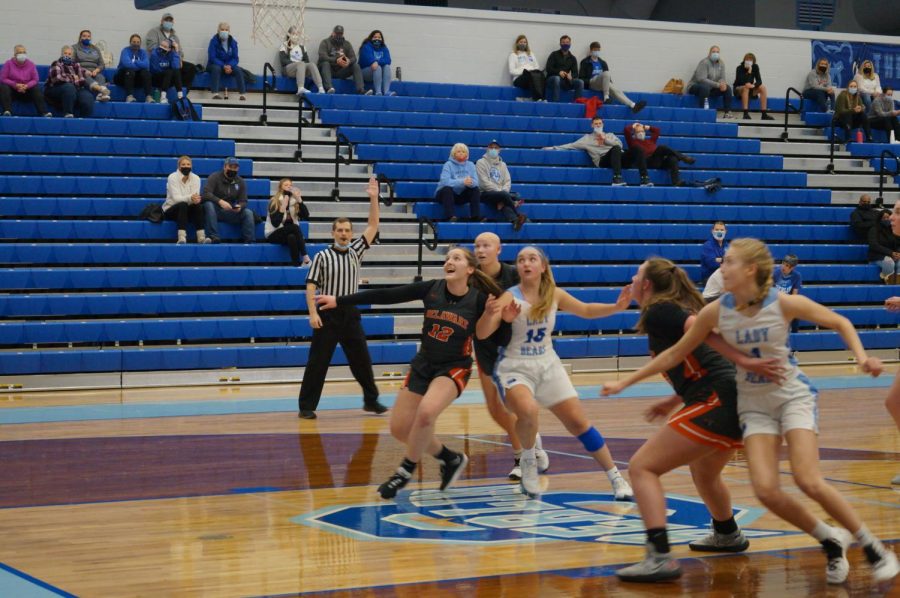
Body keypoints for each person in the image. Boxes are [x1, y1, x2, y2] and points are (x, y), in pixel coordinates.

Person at [603, 237, 900, 586]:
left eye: (728, 261)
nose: (720, 266)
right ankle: (829, 537)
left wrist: (863, 358)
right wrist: (627, 383)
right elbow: (676, 354)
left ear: (750, 269)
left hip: (792, 396)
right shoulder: (717, 310)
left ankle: (872, 547)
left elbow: (840, 322)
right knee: (765, 490)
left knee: (807, 479)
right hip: (752, 404)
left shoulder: (784, 302)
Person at [614, 258, 781, 582]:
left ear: (646, 285)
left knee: (641, 467)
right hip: (729, 398)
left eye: (636, 274)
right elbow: (699, 357)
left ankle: (659, 556)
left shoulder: (661, 310)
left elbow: (698, 328)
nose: (632, 278)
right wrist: (673, 399)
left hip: (719, 399)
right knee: (704, 472)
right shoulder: (666, 310)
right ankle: (727, 533)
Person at [317, 247, 505, 498]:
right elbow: (388, 294)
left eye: (456, 258)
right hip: (423, 364)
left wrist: (493, 315)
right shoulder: (432, 288)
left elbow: (482, 334)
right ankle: (450, 459)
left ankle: (403, 472)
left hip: (454, 368)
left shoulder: (480, 299)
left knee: (426, 413)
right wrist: (340, 300)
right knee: (400, 429)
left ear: (470, 269)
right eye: (447, 258)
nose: (449, 262)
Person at [480, 246, 634, 500]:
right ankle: (528, 461)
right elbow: (483, 333)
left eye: (532, 259)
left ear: (542, 267)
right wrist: (491, 314)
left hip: (548, 364)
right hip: (516, 366)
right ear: (517, 268)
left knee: (579, 424)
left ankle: (615, 477)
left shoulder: (555, 294)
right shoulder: (508, 296)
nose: (525, 263)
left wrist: (616, 307)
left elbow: (585, 310)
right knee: (528, 411)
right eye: (520, 260)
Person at [298, 177, 386, 419]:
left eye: (348, 230)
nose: (344, 234)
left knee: (362, 361)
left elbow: (374, 225)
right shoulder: (322, 256)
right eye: (340, 230)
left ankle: (371, 400)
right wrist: (313, 313)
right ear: (333, 233)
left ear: (351, 233)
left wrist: (373, 198)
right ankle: (306, 406)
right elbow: (310, 286)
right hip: (327, 314)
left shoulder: (356, 250)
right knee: (318, 362)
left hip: (350, 313)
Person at [472, 232, 550, 480]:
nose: (481, 249)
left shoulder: (514, 274)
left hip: (513, 345)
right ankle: (532, 439)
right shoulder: (471, 277)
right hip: (484, 345)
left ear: (498, 249)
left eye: (486, 245)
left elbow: (541, 293)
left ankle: (521, 456)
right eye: (477, 245)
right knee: (495, 408)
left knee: (513, 404)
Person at [543, 116, 650, 186]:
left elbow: (620, 145)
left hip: (619, 157)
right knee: (615, 149)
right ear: (592, 125)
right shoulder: (587, 138)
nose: (598, 125)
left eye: (600, 123)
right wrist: (553, 147)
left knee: (637, 148)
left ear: (603, 125)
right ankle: (617, 178)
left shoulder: (610, 135)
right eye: (596, 124)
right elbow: (571, 145)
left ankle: (644, 178)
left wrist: (605, 139)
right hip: (603, 160)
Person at [577, 41, 646, 114]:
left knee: (616, 90)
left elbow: (608, 77)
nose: (597, 51)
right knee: (606, 73)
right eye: (595, 50)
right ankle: (606, 97)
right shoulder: (585, 62)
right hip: (592, 83)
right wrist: (589, 81)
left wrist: (611, 86)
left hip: (602, 84)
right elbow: (581, 78)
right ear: (591, 50)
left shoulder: (602, 62)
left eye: (598, 50)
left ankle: (633, 105)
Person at [201, 157, 255, 244]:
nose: (233, 169)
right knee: (208, 204)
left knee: (248, 212)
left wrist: (239, 206)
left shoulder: (240, 181)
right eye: (230, 166)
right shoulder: (214, 177)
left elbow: (243, 200)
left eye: (235, 167)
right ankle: (214, 236)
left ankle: (250, 241)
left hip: (230, 210)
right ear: (225, 166)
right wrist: (220, 201)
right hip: (215, 210)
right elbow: (206, 193)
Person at [475, 140, 527, 230]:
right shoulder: (480, 162)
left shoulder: (503, 164)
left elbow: (507, 181)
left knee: (507, 197)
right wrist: (501, 192)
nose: (493, 149)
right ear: (487, 149)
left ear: (500, 150)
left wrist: (503, 193)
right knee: (506, 195)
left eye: (496, 148)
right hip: (485, 193)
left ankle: (515, 220)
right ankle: (518, 214)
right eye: (491, 147)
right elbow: (483, 182)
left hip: (501, 195)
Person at [624, 121, 696, 187]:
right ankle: (684, 158)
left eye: (642, 131)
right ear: (634, 134)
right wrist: (634, 125)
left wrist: (646, 127)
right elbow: (626, 130)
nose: (641, 133)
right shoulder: (633, 142)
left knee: (672, 158)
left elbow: (657, 130)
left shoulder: (650, 141)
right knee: (662, 147)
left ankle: (676, 181)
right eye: (638, 132)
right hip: (646, 162)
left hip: (657, 161)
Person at [145, 12, 196, 90]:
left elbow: (179, 50)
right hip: (160, 61)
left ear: (173, 22)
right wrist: (167, 50)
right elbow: (151, 47)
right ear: (162, 21)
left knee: (191, 67)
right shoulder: (153, 32)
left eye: (170, 20)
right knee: (170, 69)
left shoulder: (175, 36)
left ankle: (182, 90)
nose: (168, 22)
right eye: (166, 20)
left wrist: (180, 59)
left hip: (173, 60)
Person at [266, 178, 310, 266]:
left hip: (289, 233)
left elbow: (306, 216)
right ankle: (305, 256)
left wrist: (299, 200)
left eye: (290, 185)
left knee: (292, 237)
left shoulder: (295, 202)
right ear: (280, 188)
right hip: (274, 233)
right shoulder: (274, 201)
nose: (289, 187)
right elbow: (275, 223)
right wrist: (283, 208)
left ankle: (296, 265)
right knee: (295, 227)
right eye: (286, 185)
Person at [162, 156, 205, 245]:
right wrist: (191, 198)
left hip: (187, 210)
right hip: (171, 210)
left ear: (191, 166)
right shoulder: (172, 177)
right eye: (183, 164)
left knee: (198, 206)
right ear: (179, 166)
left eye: (188, 164)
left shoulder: (196, 178)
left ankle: (201, 237)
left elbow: (195, 198)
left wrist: (195, 200)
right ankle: (182, 237)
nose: (186, 166)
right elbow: (176, 199)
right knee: (182, 204)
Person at [0, 44, 51, 117]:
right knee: (4, 87)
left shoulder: (31, 64)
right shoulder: (8, 63)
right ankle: (7, 111)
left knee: (36, 88)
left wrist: (27, 86)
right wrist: (15, 85)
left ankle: (43, 112)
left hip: (26, 90)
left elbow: (35, 79)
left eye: (24, 52)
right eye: (20, 52)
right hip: (13, 91)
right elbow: (3, 78)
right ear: (15, 54)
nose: (22, 54)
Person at [44, 46, 94, 118]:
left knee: (88, 97)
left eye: (69, 54)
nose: (67, 55)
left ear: (72, 56)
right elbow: (58, 79)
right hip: (55, 88)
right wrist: (74, 78)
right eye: (65, 53)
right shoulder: (56, 64)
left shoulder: (76, 65)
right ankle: (68, 114)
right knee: (69, 87)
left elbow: (82, 80)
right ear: (62, 54)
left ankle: (82, 120)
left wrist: (71, 79)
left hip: (75, 88)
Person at [436, 143, 482, 222]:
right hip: (445, 195)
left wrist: (470, 182)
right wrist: (462, 182)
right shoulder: (448, 164)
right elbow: (445, 182)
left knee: (475, 189)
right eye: (458, 151)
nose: (461, 153)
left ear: (467, 154)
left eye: (463, 152)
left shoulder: (471, 165)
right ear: (454, 154)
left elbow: (476, 182)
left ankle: (475, 216)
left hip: (461, 195)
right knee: (447, 189)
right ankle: (450, 216)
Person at [687, 45, 735, 118]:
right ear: (709, 53)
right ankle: (703, 113)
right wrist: (717, 85)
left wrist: (722, 84)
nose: (715, 53)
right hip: (696, 86)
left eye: (717, 52)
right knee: (704, 88)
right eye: (713, 52)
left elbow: (722, 77)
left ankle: (727, 113)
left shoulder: (721, 63)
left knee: (727, 88)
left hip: (711, 88)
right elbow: (701, 79)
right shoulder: (704, 62)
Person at [318, 25, 364, 95]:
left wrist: (348, 61)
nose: (339, 35)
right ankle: (329, 88)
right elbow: (322, 56)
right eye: (337, 33)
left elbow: (354, 58)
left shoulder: (347, 44)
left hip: (341, 70)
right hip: (328, 70)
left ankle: (360, 90)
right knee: (325, 63)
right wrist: (336, 60)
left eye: (340, 34)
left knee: (355, 65)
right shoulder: (325, 42)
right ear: (333, 33)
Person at [279, 26, 324, 96]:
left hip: (301, 69)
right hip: (288, 69)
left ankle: (321, 88)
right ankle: (300, 88)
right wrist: (296, 64)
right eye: (293, 34)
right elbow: (283, 60)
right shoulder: (284, 45)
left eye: (297, 34)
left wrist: (301, 65)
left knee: (311, 64)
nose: (295, 36)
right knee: (301, 64)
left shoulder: (302, 47)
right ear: (289, 35)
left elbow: (307, 60)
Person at [207, 22, 246, 101]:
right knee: (216, 68)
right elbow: (212, 57)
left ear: (229, 31)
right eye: (222, 29)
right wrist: (223, 66)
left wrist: (229, 66)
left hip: (228, 66)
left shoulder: (233, 42)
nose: (224, 31)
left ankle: (242, 94)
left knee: (238, 70)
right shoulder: (213, 41)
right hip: (214, 65)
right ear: (218, 31)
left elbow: (235, 58)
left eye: (226, 30)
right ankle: (215, 94)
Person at [114, 34, 153, 103]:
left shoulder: (143, 52)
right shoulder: (125, 50)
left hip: (135, 79)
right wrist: (140, 64)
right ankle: (129, 96)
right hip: (122, 77)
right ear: (130, 42)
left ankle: (148, 97)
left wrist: (136, 62)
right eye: (134, 42)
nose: (136, 44)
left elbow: (147, 64)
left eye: (138, 42)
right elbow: (127, 64)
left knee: (146, 72)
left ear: (140, 43)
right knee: (130, 71)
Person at [73, 30, 110, 102]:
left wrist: (96, 70)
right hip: (81, 71)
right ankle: (101, 90)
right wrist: (84, 70)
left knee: (100, 76)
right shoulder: (74, 48)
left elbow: (102, 64)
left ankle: (100, 95)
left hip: (94, 71)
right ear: (80, 37)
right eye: (84, 36)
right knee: (84, 76)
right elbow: (72, 63)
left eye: (88, 36)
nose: (86, 38)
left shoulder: (95, 49)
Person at [733, 52, 772, 121]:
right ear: (744, 60)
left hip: (749, 88)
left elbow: (759, 81)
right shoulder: (739, 68)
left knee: (762, 87)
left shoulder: (755, 67)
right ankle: (745, 113)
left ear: (753, 62)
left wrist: (753, 85)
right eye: (747, 59)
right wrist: (749, 72)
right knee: (746, 87)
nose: (748, 61)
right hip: (738, 89)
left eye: (750, 60)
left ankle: (764, 114)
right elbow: (741, 81)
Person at [545, 35, 583, 103]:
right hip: (552, 80)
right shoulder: (554, 54)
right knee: (557, 78)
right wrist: (558, 72)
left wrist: (571, 76)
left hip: (565, 81)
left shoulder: (572, 58)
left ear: (570, 44)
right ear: (560, 44)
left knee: (580, 82)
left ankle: (576, 103)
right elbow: (548, 68)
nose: (565, 44)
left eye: (567, 42)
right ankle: (555, 103)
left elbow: (575, 73)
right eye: (563, 42)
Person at [509, 35, 545, 102]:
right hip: (519, 78)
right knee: (530, 75)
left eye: (524, 42)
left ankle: (541, 98)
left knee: (541, 74)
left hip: (531, 75)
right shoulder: (513, 55)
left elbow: (537, 66)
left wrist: (531, 71)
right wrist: (524, 72)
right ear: (517, 43)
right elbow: (512, 71)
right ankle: (537, 98)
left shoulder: (531, 54)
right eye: (521, 42)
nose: (523, 44)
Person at [868, 208, 900, 284]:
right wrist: (890, 253)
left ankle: (897, 287)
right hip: (877, 256)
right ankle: (889, 285)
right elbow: (874, 245)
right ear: (880, 219)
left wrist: (897, 253)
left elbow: (898, 244)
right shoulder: (874, 229)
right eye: (884, 218)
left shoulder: (894, 229)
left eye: (888, 217)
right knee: (889, 262)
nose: (886, 219)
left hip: (893, 255)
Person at [358, 30, 393, 96]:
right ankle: (378, 92)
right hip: (365, 73)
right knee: (378, 67)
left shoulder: (384, 48)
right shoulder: (366, 47)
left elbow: (388, 60)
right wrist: (374, 62)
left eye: (379, 37)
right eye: (375, 37)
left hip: (377, 72)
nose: (377, 39)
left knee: (387, 67)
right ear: (371, 38)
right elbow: (368, 59)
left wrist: (377, 62)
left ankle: (386, 91)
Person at [773, 254, 802, 332]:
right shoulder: (776, 273)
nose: (783, 267)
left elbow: (794, 295)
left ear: (792, 267)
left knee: (796, 313)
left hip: (787, 302)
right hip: (775, 301)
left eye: (787, 265)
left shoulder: (797, 276)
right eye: (783, 263)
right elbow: (770, 290)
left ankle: (795, 335)